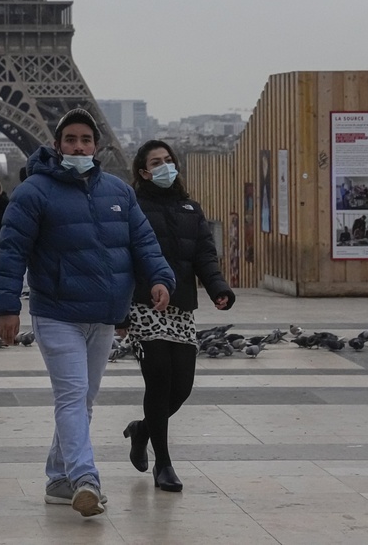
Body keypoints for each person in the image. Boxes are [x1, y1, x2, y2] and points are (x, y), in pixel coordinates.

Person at [0, 108, 175, 518]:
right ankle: (84, 478)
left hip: (105, 313)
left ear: (96, 145)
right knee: (72, 396)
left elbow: (143, 241)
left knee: (84, 400)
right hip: (57, 312)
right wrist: (6, 307)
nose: (78, 146)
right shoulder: (34, 192)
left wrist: (161, 277)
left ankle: (57, 478)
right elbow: (11, 251)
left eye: (85, 140)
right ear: (57, 145)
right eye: (70, 139)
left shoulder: (117, 192)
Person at [120, 139, 235, 493]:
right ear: (143, 171)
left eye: (168, 160)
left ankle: (142, 429)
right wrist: (120, 308)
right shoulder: (132, 207)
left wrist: (218, 287)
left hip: (181, 307)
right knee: (159, 378)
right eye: (156, 162)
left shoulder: (190, 208)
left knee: (181, 387)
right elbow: (123, 259)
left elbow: (204, 254)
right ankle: (164, 463)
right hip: (145, 305)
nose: (165, 166)